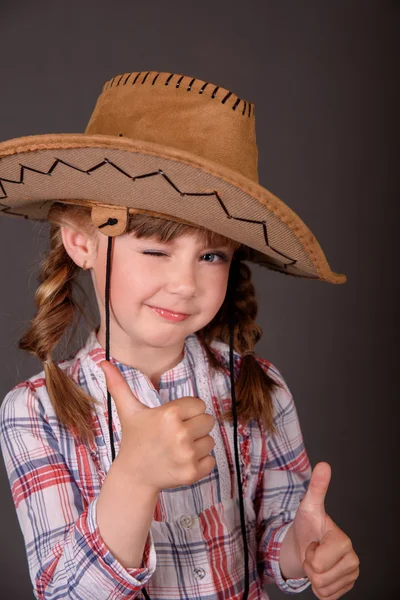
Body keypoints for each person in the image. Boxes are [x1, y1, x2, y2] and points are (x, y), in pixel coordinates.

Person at [0, 70, 359, 600]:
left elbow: (278, 531)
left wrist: (302, 549)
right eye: (156, 250)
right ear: (81, 243)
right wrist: (135, 479)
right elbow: (65, 591)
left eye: (211, 255)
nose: (186, 284)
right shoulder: (35, 413)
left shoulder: (260, 388)